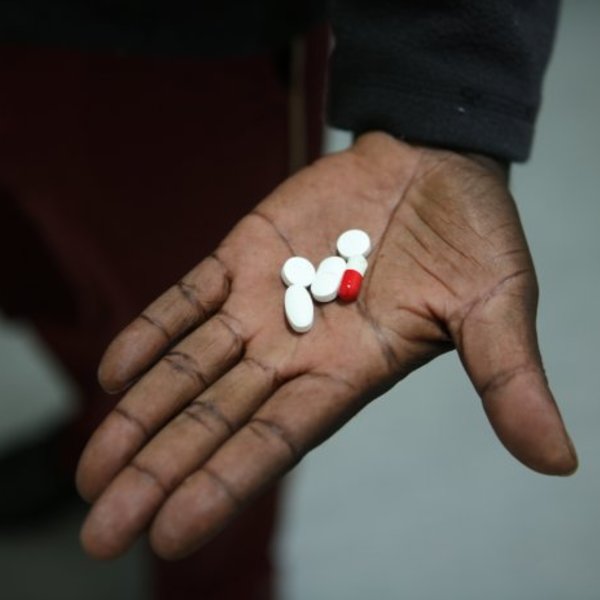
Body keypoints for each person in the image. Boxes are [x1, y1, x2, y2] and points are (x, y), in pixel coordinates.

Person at [1, 1, 577, 598]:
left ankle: (221, 582)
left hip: (186, 53)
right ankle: (90, 431)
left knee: (206, 364)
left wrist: (442, 100)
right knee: (57, 291)